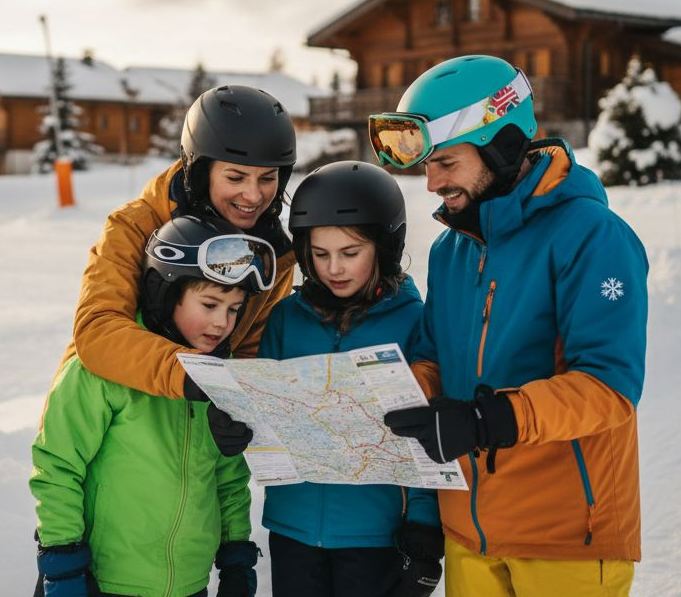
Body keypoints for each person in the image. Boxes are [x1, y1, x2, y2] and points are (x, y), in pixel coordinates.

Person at [370, 55, 648, 597]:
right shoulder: (452, 250)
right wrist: (386, 399)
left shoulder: (592, 237)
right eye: (427, 166)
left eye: (445, 163)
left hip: (566, 535)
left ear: (502, 145)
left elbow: (609, 387)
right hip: (468, 535)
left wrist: (487, 419)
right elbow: (433, 357)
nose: (431, 183)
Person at [31, 215, 272, 597]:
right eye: (210, 304)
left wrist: (236, 560)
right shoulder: (105, 367)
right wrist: (63, 566)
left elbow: (228, 481)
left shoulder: (221, 379)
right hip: (103, 581)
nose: (221, 323)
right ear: (166, 293)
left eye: (233, 309)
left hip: (189, 586)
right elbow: (57, 467)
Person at [252, 160, 445, 597]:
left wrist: (422, 521)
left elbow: (424, 434)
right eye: (320, 255)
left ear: (384, 247)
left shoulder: (413, 322)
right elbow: (265, 410)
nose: (334, 268)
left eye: (350, 253)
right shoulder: (285, 320)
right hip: (294, 528)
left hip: (375, 533)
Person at [63, 85, 298, 402]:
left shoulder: (269, 254)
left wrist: (241, 411)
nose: (254, 196)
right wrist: (192, 376)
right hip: (110, 412)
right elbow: (98, 332)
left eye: (267, 178)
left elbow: (250, 353)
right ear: (200, 172)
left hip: (199, 421)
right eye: (235, 178)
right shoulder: (136, 225)